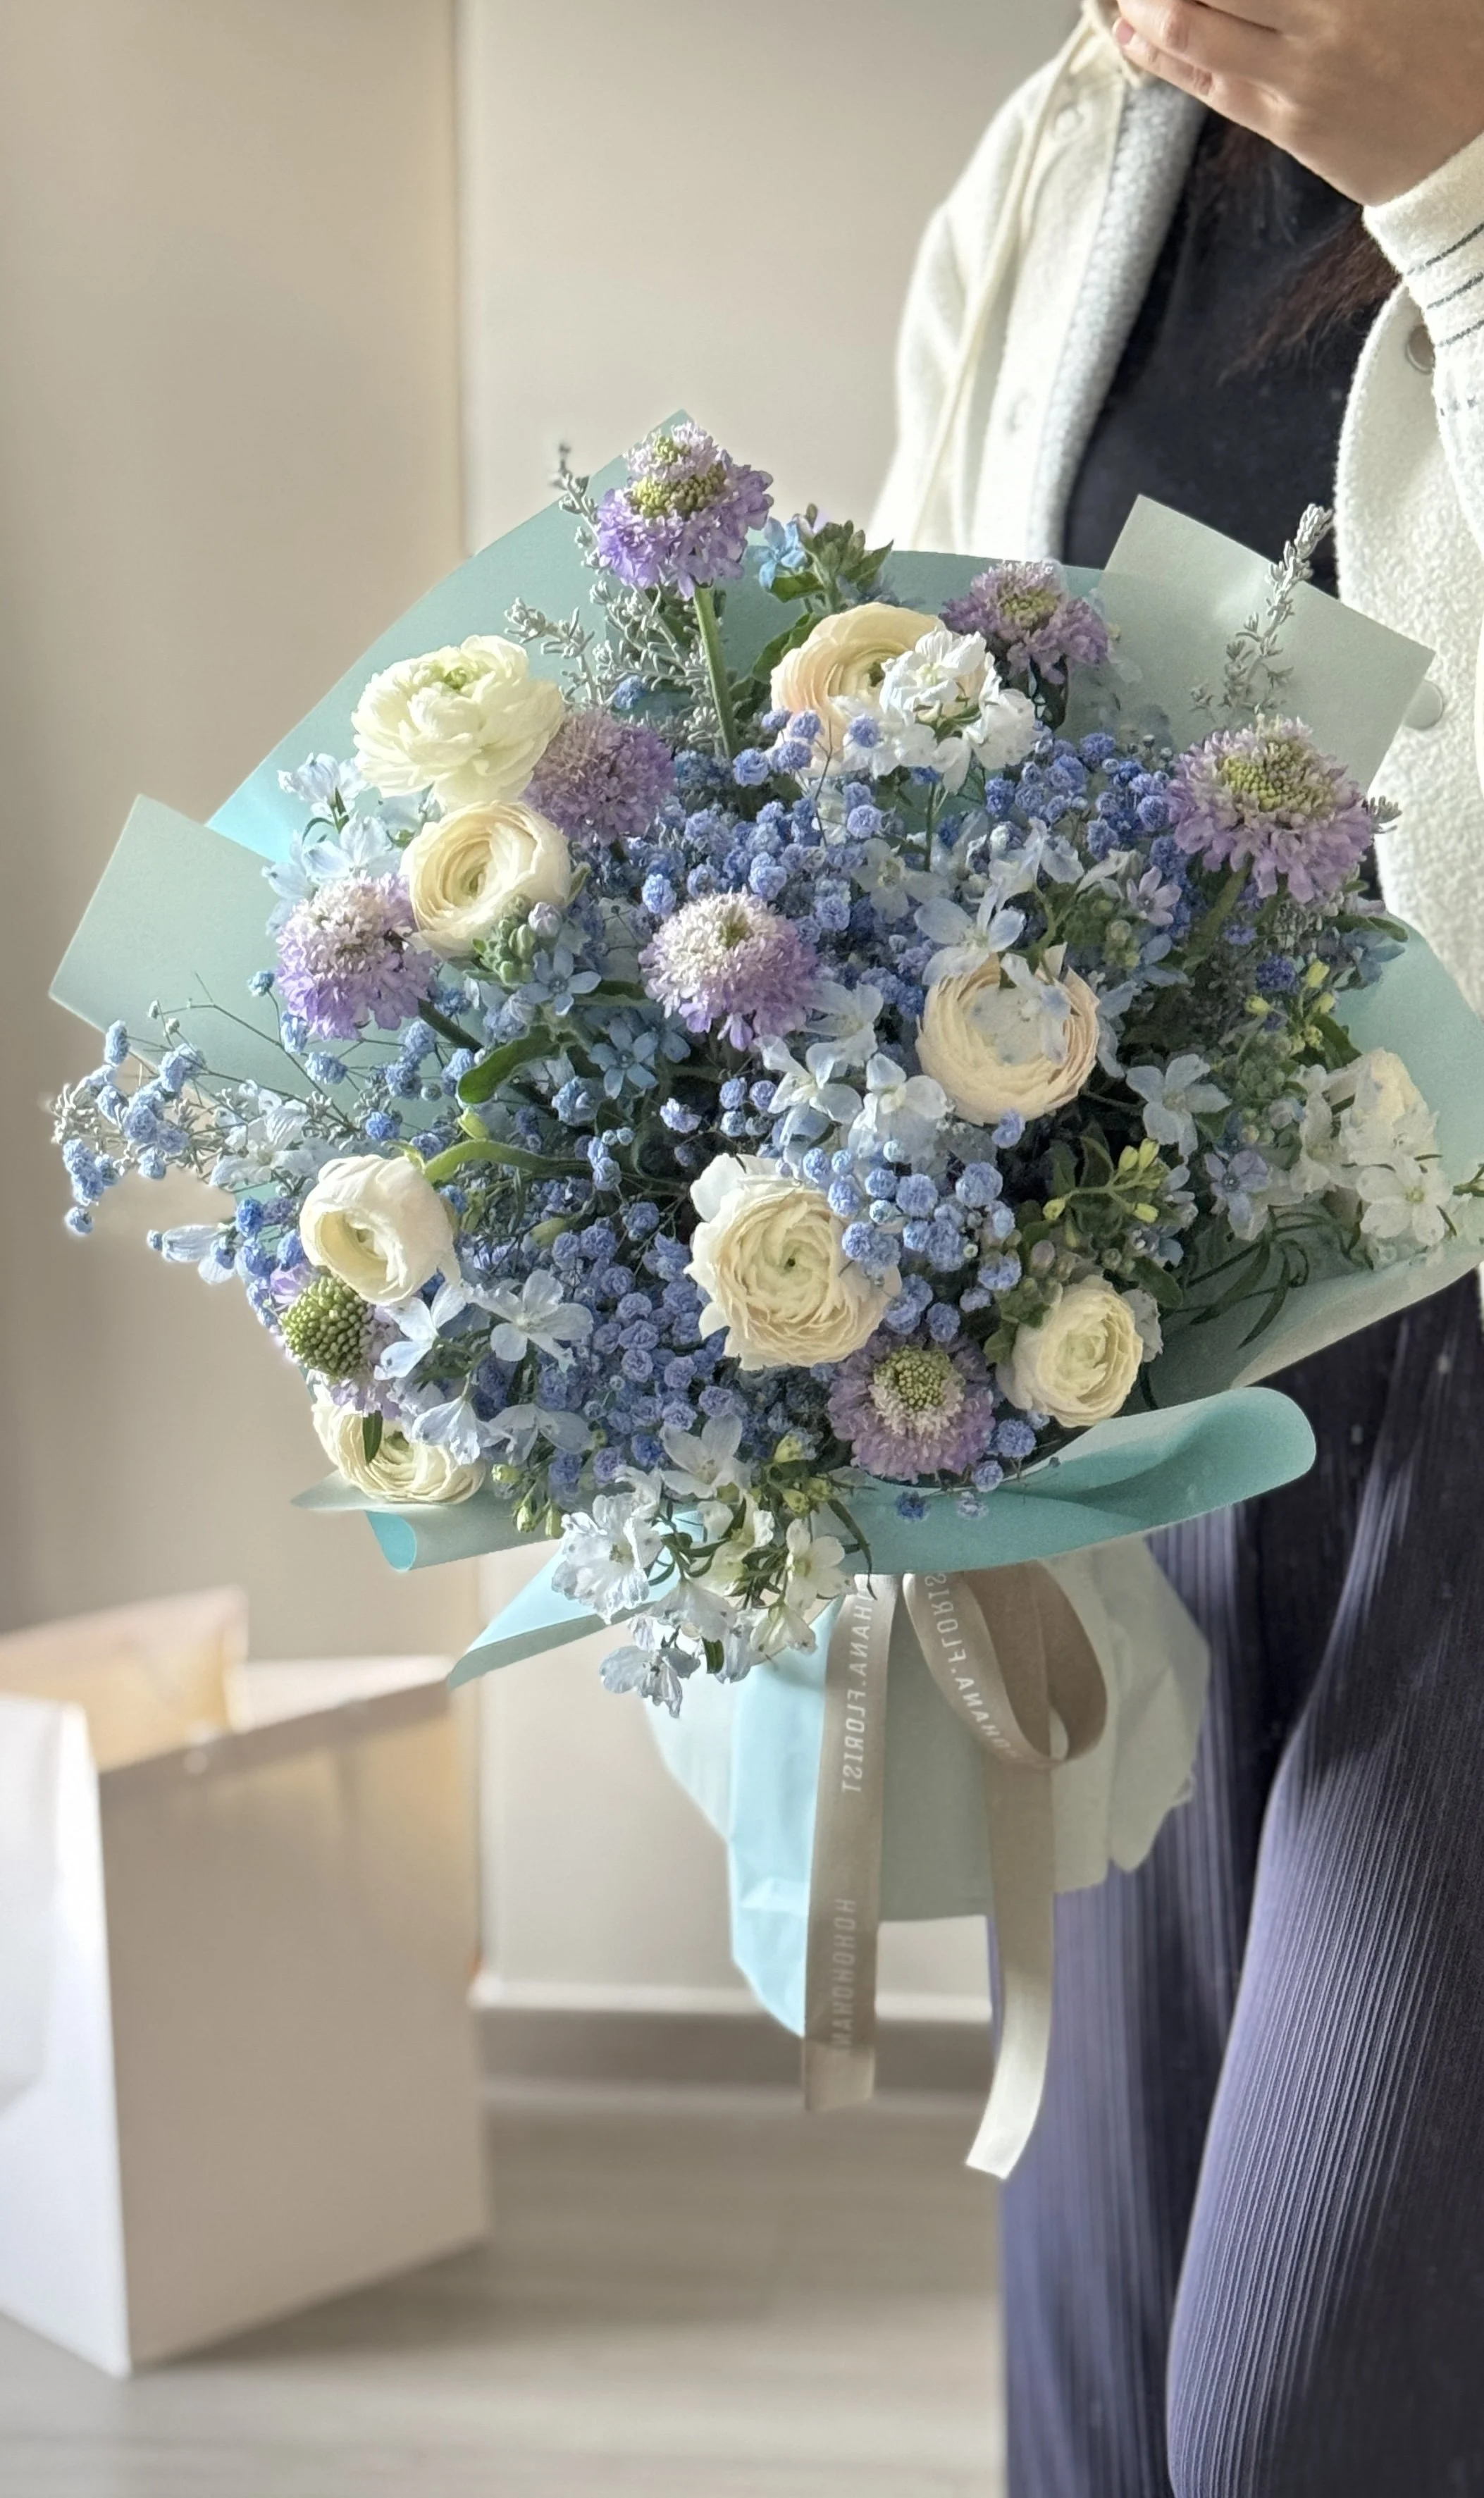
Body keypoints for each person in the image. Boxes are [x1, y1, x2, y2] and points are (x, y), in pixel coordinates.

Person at [873, 5, 1484, 2492]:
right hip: (1163, 1332)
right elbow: (908, 684)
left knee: (1299, 2413)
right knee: (1098, 2390)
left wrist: (1456, 194)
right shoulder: (1076, 143)